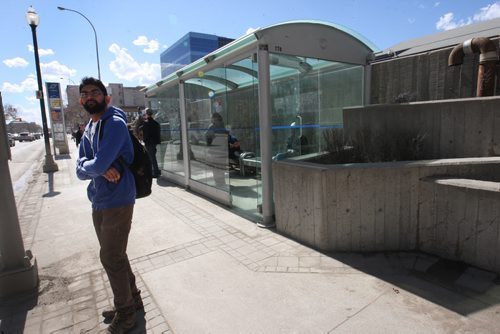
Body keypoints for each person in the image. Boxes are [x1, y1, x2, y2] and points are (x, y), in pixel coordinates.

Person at [75, 77, 142, 333]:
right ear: (81, 100)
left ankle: (126, 315)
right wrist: (96, 169)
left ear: (107, 97)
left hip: (118, 200)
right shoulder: (90, 127)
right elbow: (81, 168)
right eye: (84, 93)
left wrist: (94, 167)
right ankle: (132, 299)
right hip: (99, 199)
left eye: (95, 92)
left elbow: (94, 165)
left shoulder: (113, 123)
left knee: (110, 257)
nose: (89, 96)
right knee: (116, 255)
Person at [141, 108, 161, 178]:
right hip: (155, 142)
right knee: (153, 157)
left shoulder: (146, 123)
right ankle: (156, 170)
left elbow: (145, 135)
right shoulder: (156, 123)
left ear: (146, 114)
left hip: (149, 143)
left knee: (152, 158)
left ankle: (155, 172)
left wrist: (144, 140)